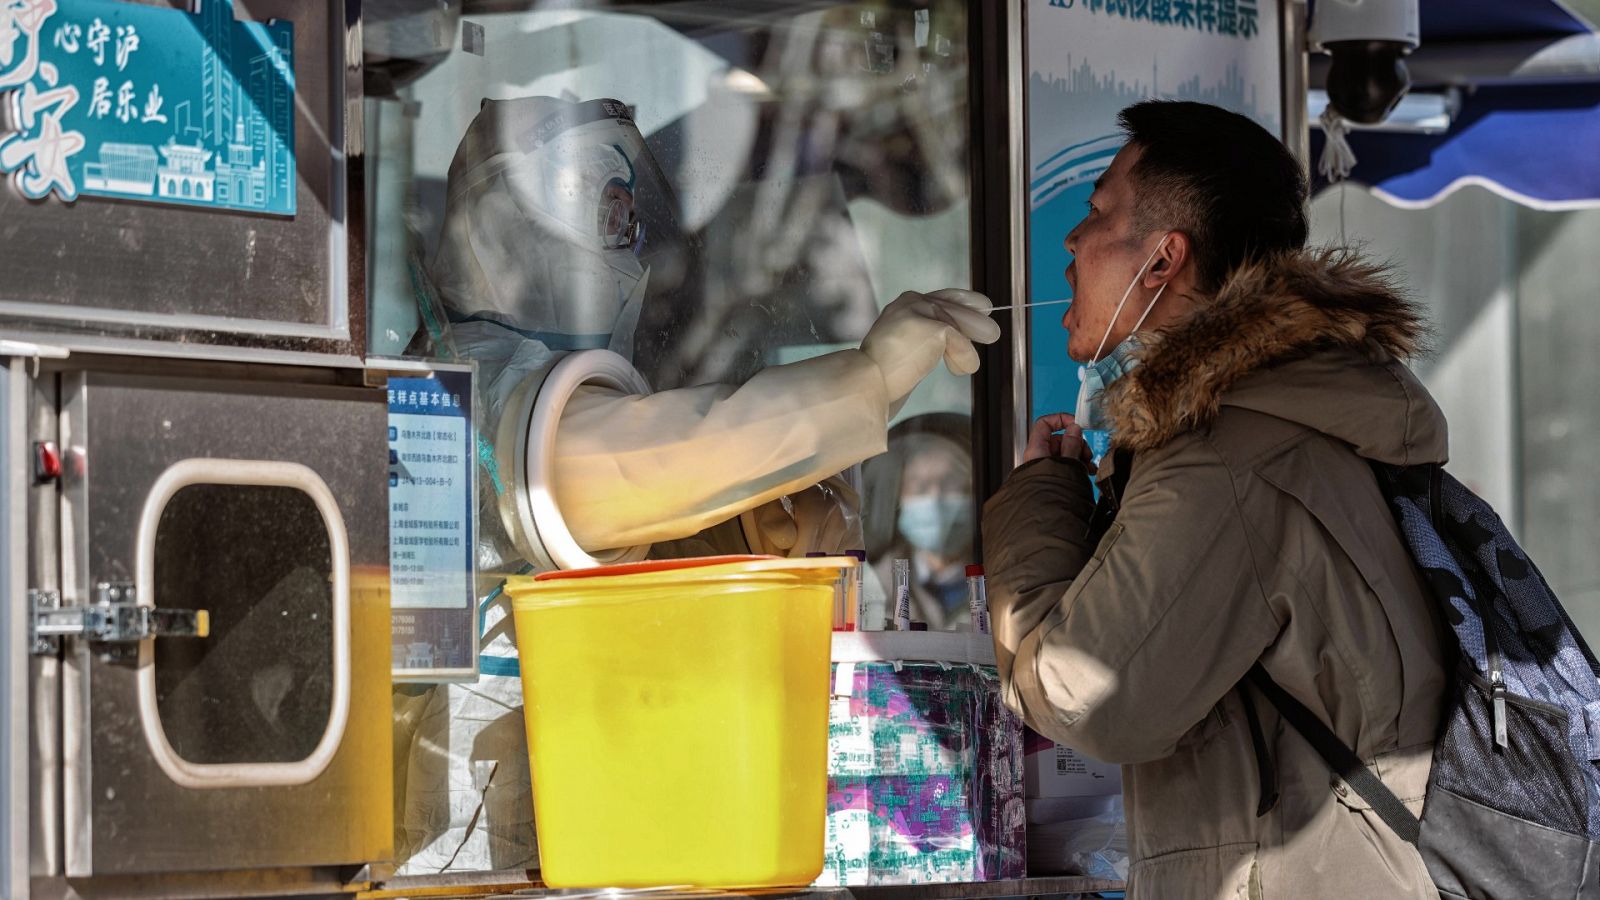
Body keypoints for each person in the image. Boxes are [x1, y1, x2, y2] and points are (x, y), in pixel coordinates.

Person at [395, 95, 1000, 873]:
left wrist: (753, 526)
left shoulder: (557, 381)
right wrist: (870, 380)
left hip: (571, 793)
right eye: (591, 199)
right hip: (473, 824)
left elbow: (648, 521)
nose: (618, 228)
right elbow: (632, 466)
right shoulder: (469, 384)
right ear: (500, 219)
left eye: (622, 207)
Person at [981, 100, 1449, 899]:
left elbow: (1085, 697)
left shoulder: (1228, 455)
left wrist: (1036, 508)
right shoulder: (1283, 417)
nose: (1070, 242)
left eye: (1096, 214)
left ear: (1162, 261)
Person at [863, 413, 977, 631]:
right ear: (899, 497)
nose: (934, 499)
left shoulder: (1003, 580)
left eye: (950, 482)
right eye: (920, 487)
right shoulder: (874, 586)